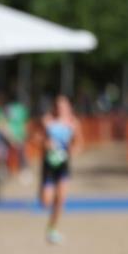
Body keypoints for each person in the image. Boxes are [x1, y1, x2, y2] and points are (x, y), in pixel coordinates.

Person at [35, 95, 83, 245]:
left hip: (63, 164)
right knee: (46, 202)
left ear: (69, 107)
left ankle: (52, 229)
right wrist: (45, 143)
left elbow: (79, 143)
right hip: (48, 164)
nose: (61, 109)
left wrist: (72, 150)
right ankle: (43, 190)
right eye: (58, 106)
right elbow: (36, 138)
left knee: (61, 199)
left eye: (64, 106)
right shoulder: (47, 121)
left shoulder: (73, 123)